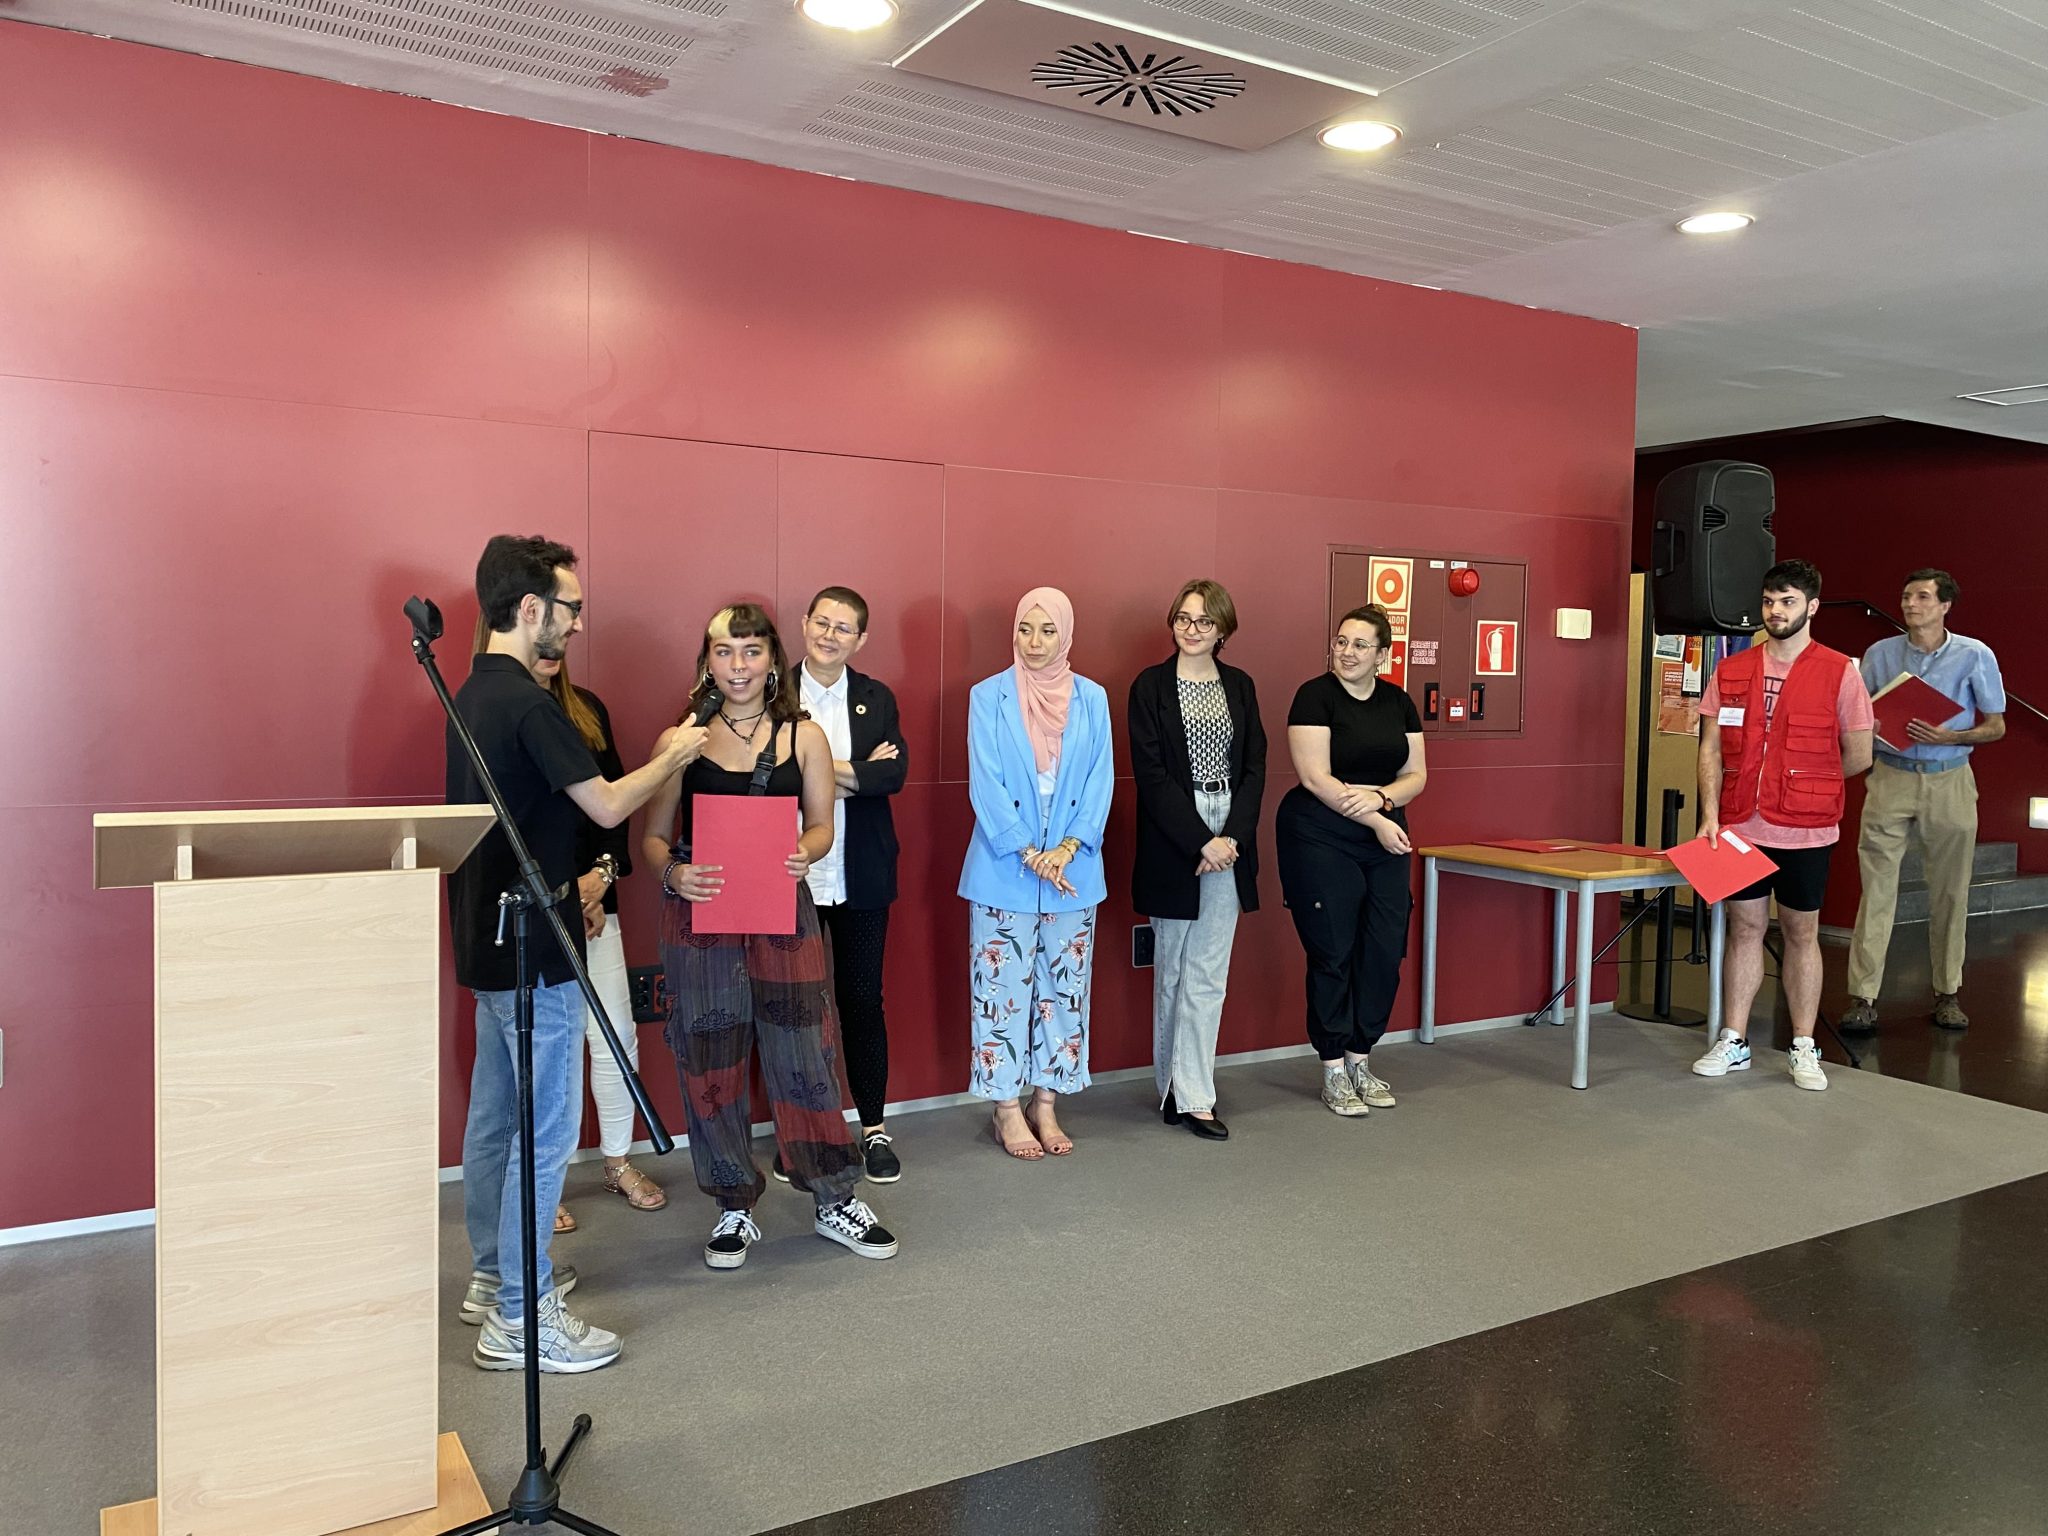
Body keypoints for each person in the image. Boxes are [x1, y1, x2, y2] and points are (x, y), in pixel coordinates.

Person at [449, 535, 705, 1373]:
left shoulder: (472, 693)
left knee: (496, 1122)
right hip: (537, 949)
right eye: (571, 609)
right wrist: (673, 757)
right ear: (531, 610)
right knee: (545, 1131)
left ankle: (495, 1278)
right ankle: (522, 1318)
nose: (578, 624)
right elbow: (606, 805)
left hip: (488, 945)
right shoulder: (527, 703)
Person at [641, 603, 898, 1269]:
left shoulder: (803, 736)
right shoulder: (680, 740)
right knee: (710, 1059)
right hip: (699, 918)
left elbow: (822, 827)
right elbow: (653, 838)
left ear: (771, 660)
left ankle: (834, 1197)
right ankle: (732, 1204)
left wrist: (804, 853)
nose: (738, 666)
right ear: (707, 661)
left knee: (806, 1051)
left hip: (783, 909)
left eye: (751, 651)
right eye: (724, 651)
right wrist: (674, 874)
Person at [468, 621, 666, 1232]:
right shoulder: (497, 711)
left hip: (594, 903)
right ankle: (539, 1186)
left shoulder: (585, 710)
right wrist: (562, 897)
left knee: (615, 1037)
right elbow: (503, 827)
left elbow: (612, 810)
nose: (556, 647)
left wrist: (599, 879)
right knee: (533, 1065)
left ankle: (616, 1161)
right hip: (533, 914)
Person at [1692, 560, 1874, 1091]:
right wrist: (1710, 816)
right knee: (1745, 929)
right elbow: (1709, 749)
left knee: (1801, 933)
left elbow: (1859, 753)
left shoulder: (1840, 672)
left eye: (1788, 601)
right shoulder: (1731, 670)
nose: (1776, 611)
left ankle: (1802, 1044)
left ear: (1812, 607)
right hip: (1740, 826)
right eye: (1770, 601)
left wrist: (1808, 785)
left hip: (1806, 830)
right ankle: (1734, 1039)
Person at [960, 587, 1114, 1159]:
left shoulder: (1092, 698)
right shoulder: (988, 696)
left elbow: (1101, 779)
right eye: (1026, 628)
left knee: (1064, 991)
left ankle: (1045, 1103)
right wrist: (1028, 853)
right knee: (999, 990)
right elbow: (986, 782)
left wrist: (1068, 848)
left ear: (1066, 634)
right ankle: (1005, 1107)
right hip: (1006, 866)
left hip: (1074, 867)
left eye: (1048, 630)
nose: (1035, 642)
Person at [1128, 579, 1267, 1141]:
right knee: (1173, 971)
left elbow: (1254, 766)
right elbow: (1151, 774)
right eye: (1183, 618)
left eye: (1204, 621)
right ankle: (1170, 1086)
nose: (1191, 629)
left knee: (1208, 974)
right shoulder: (1150, 686)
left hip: (1229, 829)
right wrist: (1199, 841)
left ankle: (1195, 1096)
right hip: (1175, 836)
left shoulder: (1240, 685)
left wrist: (1230, 838)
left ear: (1223, 630)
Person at [1276, 604, 1426, 1118]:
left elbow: (1416, 775)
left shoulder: (1399, 703)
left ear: (1383, 654)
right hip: (1321, 834)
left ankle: (1361, 1059)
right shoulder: (1314, 696)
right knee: (1333, 951)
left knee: (1383, 949)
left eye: (1361, 644)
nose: (1347, 651)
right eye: (1341, 641)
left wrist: (1383, 800)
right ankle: (1333, 1069)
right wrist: (1379, 819)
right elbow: (1315, 778)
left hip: (1382, 835)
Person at [1842, 569, 2007, 1035]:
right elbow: (1858, 715)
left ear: (1945, 605)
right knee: (1876, 890)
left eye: (1922, 597)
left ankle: (1947, 993)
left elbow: (1996, 726)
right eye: (1906, 596)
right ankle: (1862, 997)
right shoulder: (1880, 653)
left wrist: (1950, 736)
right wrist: (1870, 726)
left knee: (1951, 891)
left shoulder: (1975, 655)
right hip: (1890, 777)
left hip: (1949, 779)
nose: (1910, 604)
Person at [788, 586, 909, 1182]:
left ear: (860, 640)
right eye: (822, 622)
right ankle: (807, 1132)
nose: (829, 635)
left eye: (844, 628)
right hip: (792, 872)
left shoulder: (875, 697)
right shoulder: (772, 693)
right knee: (795, 1008)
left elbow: (894, 774)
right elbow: (763, 775)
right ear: (804, 624)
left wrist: (812, 770)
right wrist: (855, 773)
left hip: (860, 872)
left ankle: (873, 1127)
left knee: (862, 1001)